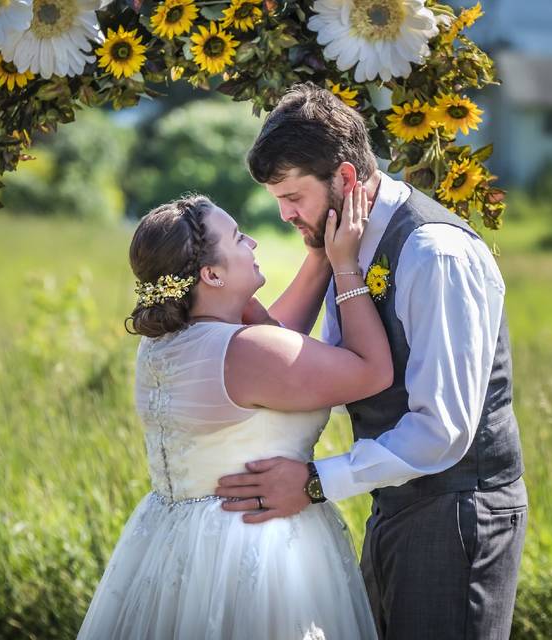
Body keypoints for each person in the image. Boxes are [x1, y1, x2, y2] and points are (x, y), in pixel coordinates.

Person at [215, 82, 528, 639]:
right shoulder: (345, 245)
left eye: (292, 196)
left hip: (459, 512)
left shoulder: (435, 254)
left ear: (346, 178)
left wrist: (314, 482)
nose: (284, 215)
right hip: (395, 502)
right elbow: (326, 363)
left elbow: (442, 431)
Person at [76, 184, 389, 639]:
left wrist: (318, 255)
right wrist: (344, 266)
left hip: (176, 544)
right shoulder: (247, 352)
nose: (254, 243)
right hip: (258, 548)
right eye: (239, 237)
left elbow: (280, 347)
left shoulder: (165, 344)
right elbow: (371, 372)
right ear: (212, 275)